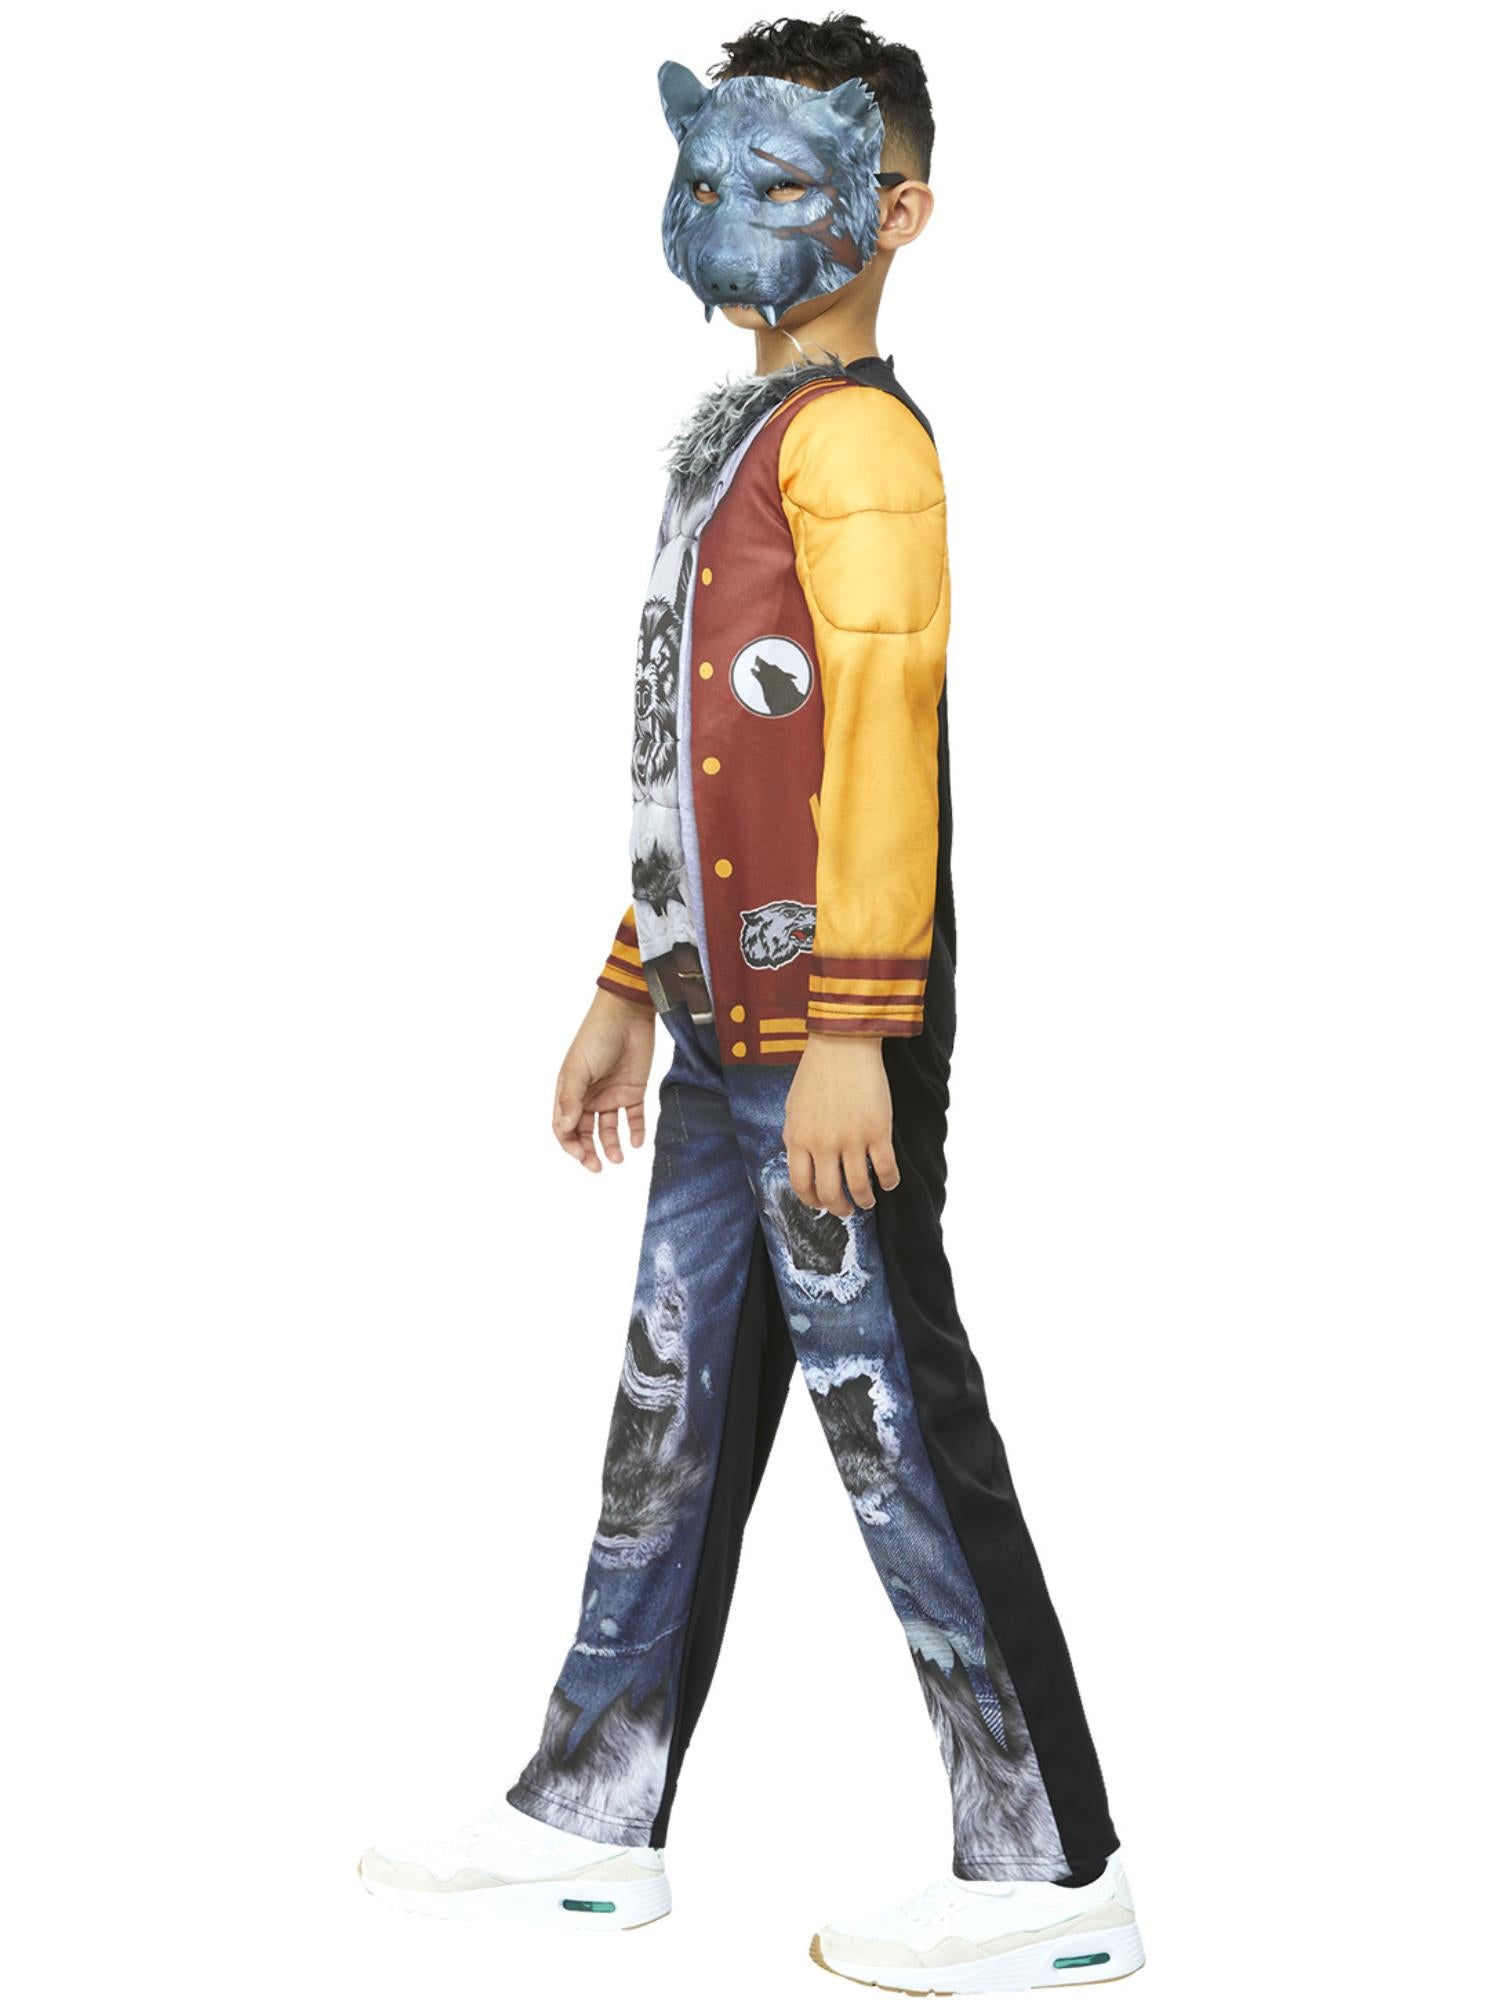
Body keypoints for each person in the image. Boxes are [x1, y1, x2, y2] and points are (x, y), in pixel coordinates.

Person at [360, 15, 1144, 1990]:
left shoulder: (861, 445)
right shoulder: (732, 433)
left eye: (783, 182)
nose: (731, 217)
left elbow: (876, 734)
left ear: (899, 212)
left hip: (827, 1036)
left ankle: (1051, 1866)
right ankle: (590, 1809)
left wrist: (857, 1024)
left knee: (895, 1416)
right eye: (707, 176)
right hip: (726, 1026)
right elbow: (695, 745)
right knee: (674, 1406)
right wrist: (631, 973)